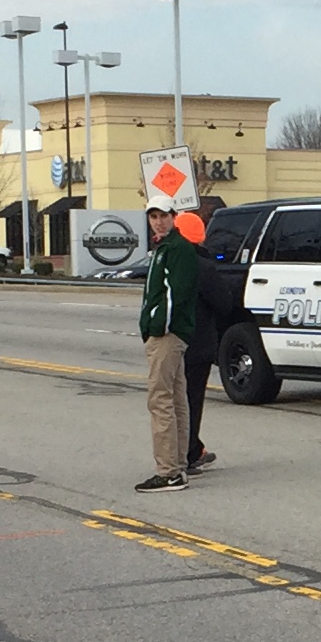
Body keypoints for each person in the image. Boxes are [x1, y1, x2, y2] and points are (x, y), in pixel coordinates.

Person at [134, 204, 197, 493]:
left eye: (164, 216)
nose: (159, 222)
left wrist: (156, 325)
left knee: (160, 400)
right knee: (175, 398)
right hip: (168, 332)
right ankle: (178, 465)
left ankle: (168, 471)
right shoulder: (162, 248)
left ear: (174, 217)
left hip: (168, 334)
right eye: (154, 217)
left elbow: (176, 294)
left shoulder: (177, 249)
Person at [178, 209, 232, 474]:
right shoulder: (202, 266)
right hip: (197, 343)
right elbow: (224, 303)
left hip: (171, 342)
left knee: (172, 400)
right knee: (191, 399)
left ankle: (184, 449)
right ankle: (189, 453)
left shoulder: (165, 262)